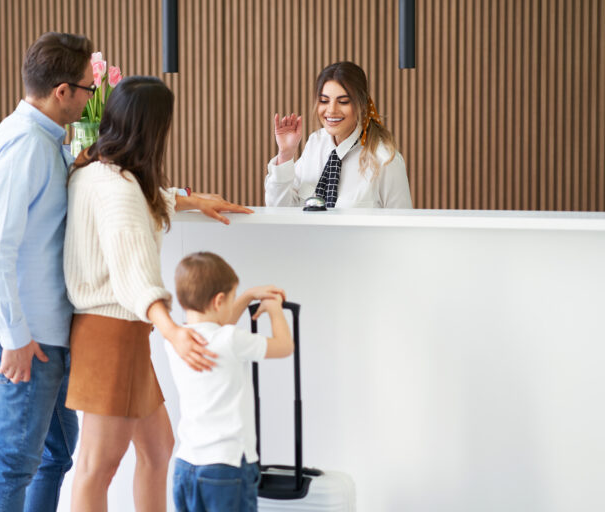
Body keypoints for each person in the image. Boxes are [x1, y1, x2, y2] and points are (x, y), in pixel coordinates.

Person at [63, 76, 254, 511]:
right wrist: (173, 330)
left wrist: (190, 199)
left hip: (119, 334)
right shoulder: (118, 189)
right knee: (98, 466)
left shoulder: (97, 171)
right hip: (111, 335)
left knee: (158, 448)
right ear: (151, 129)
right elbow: (135, 275)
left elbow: (143, 202)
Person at [0, 32, 96, 512]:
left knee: (55, 455)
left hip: (49, 338)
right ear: (62, 91)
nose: (89, 99)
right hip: (28, 342)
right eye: (87, 89)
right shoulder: (25, 143)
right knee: (13, 466)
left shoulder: (45, 142)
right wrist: (14, 337)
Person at [167, 252, 294, 512]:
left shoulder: (178, 342)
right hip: (227, 467)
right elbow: (284, 347)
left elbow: (219, 324)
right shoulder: (231, 340)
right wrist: (273, 310)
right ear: (219, 300)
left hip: (186, 466)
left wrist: (247, 295)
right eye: (233, 298)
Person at [265, 61, 412, 209]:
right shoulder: (315, 143)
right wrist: (285, 155)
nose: (331, 110)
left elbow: (403, 226)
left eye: (343, 102)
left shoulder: (385, 160)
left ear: (361, 104)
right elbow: (280, 209)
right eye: (324, 101)